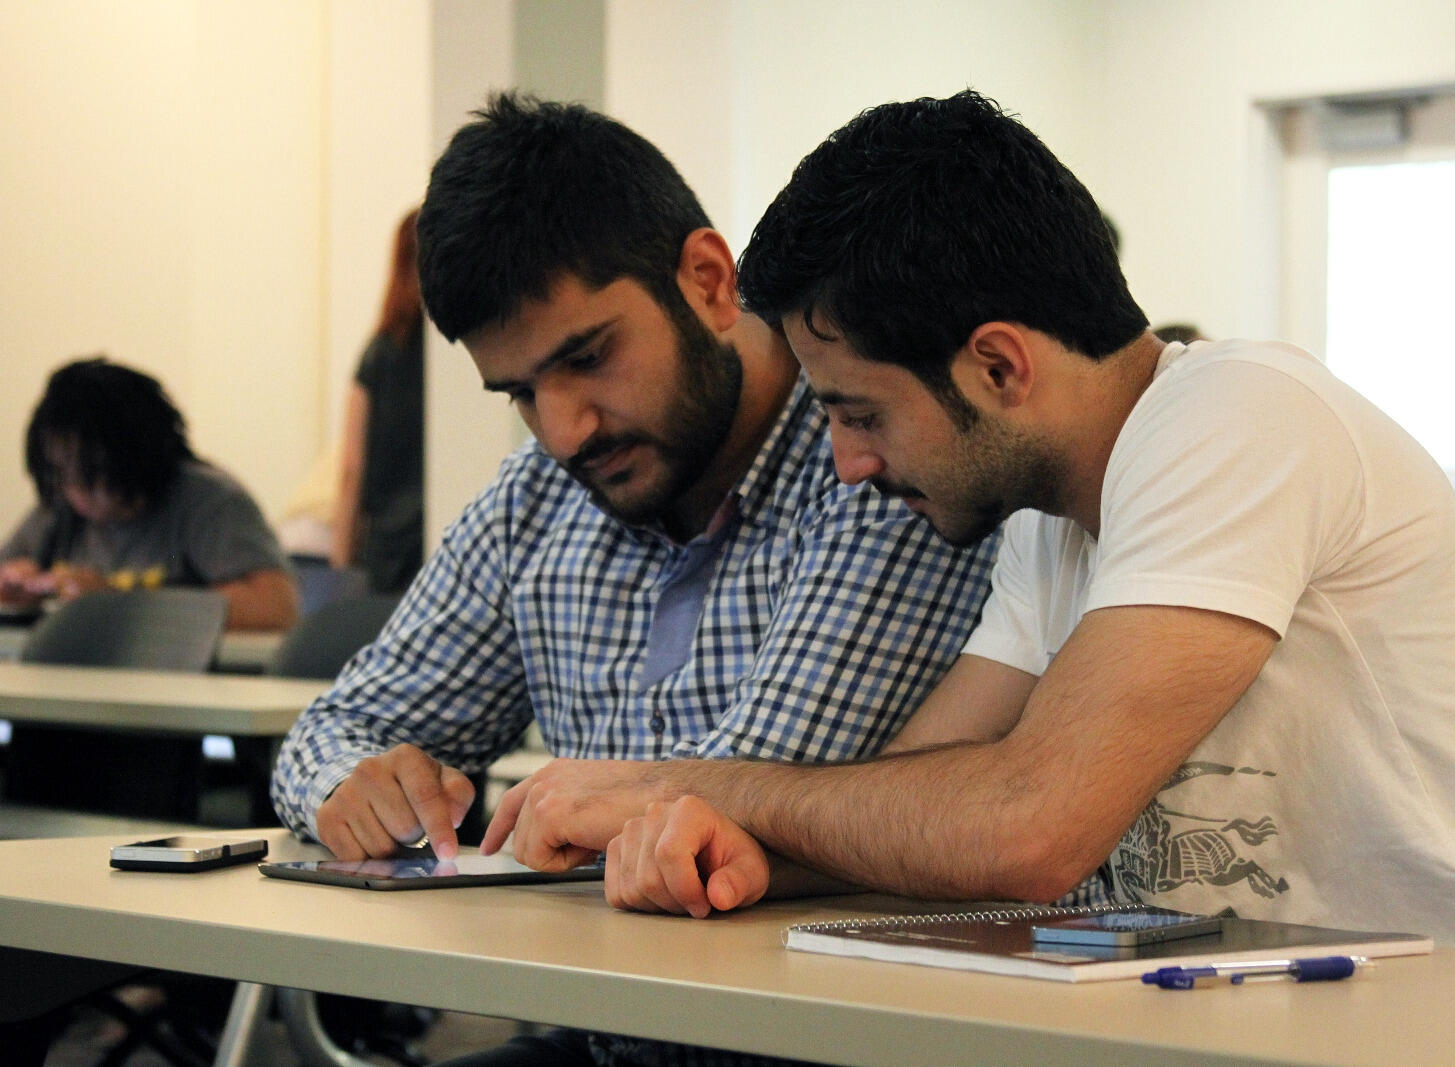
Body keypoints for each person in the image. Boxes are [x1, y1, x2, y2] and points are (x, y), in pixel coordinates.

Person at [505, 90, 1455, 961]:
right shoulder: (1049, 521)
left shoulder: (1242, 417)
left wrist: (682, 787)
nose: (846, 463)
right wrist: (733, 848)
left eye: (859, 411)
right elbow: (928, 790)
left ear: (997, 364)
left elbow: (1028, 827)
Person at [269, 94, 997, 1066]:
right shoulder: (542, 497)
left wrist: (598, 806)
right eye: (521, 391)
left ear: (706, 279)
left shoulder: (869, 457)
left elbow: (746, 800)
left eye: (587, 356)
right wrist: (354, 789)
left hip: (819, 1042)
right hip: (624, 1037)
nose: (565, 428)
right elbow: (328, 731)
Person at [0, 357, 296, 630]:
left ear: (139, 454)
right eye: (64, 476)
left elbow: (274, 609)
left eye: (97, 473)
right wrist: (15, 586)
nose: (82, 494)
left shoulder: (208, 501)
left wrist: (116, 603)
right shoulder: (59, 508)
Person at [329, 208, 426, 595]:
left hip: (386, 551)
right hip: (440, 539)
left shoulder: (379, 352)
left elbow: (351, 466)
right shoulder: (460, 356)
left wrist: (340, 561)